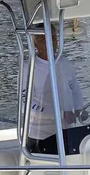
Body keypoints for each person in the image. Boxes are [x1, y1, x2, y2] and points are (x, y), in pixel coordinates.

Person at [23, 24, 84, 154]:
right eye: (42, 39)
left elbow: (75, 90)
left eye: (52, 38)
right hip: (40, 135)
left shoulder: (65, 63)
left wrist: (80, 110)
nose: (49, 42)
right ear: (34, 43)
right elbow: (26, 103)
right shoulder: (29, 68)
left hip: (66, 130)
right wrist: (57, 114)